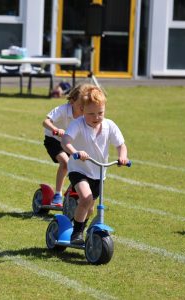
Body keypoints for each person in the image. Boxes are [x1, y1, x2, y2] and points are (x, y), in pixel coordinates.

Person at [61, 86, 128, 244]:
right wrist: (75, 151)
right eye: (91, 113)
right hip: (79, 169)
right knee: (86, 198)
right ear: (82, 110)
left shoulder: (109, 125)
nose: (96, 117)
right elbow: (66, 140)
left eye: (100, 113)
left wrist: (122, 156)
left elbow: (121, 145)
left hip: (98, 172)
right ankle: (76, 234)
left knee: (90, 207)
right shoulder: (78, 124)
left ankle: (78, 219)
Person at [43, 83, 94, 205]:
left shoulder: (84, 116)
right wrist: (55, 129)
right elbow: (45, 122)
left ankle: (72, 190)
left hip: (70, 143)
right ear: (72, 101)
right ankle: (57, 194)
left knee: (83, 165)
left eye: (85, 105)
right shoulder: (62, 110)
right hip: (54, 141)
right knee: (65, 163)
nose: (83, 108)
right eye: (81, 105)